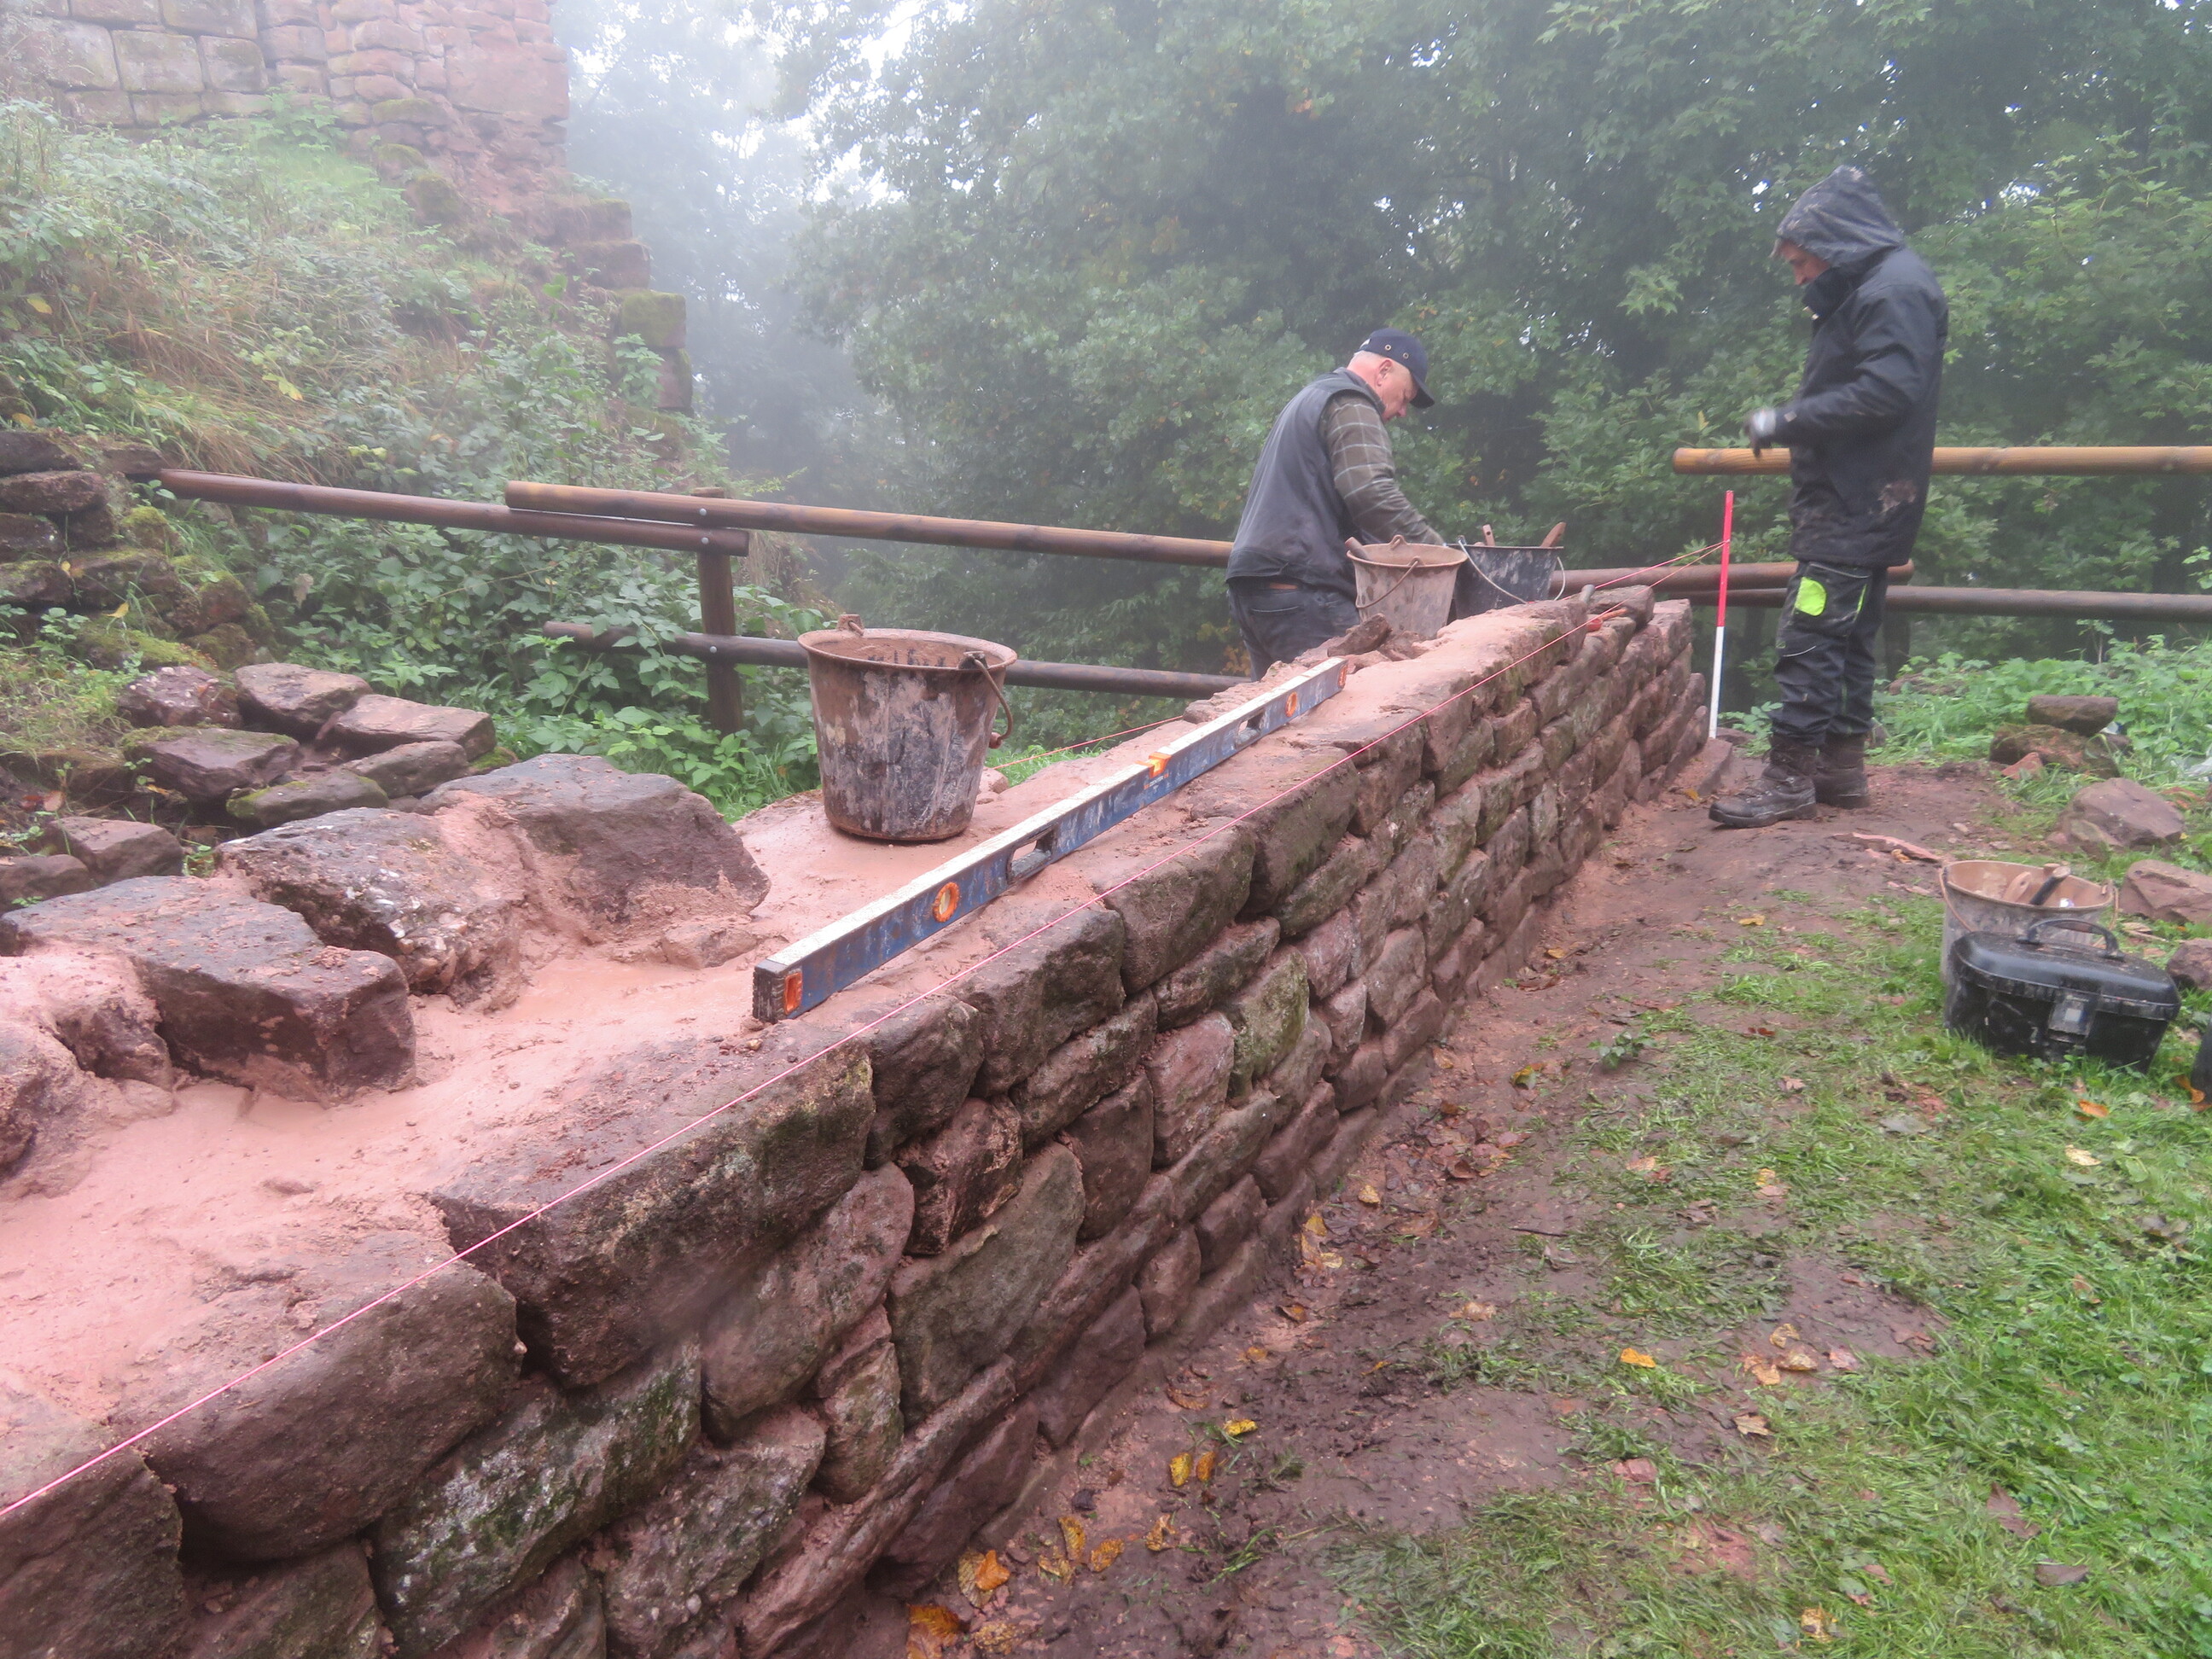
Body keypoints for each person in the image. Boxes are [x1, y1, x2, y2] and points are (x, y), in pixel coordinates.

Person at [1710, 166, 1948, 829]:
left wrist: (1787, 421)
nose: (1799, 278)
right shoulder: (1882, 286)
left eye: (1801, 262)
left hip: (1855, 501)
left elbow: (1887, 391)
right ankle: (1841, 770)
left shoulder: (1891, 291)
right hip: (1867, 498)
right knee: (1850, 636)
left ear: (1836, 241)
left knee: (1811, 633)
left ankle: (1788, 778)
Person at [1225, 329, 1446, 673]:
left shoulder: (1310, 398)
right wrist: (1437, 554)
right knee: (1351, 700)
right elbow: (1370, 493)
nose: (1403, 412)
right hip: (1303, 591)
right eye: (1405, 397)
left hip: (1253, 586)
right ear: (1384, 371)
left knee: (1280, 707)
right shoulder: (1351, 402)